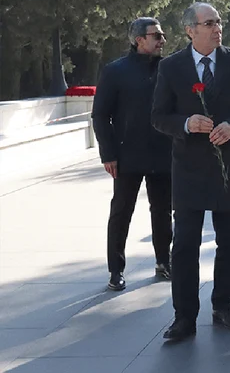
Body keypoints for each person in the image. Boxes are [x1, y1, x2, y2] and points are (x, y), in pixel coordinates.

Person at [151, 2, 230, 341]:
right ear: (190, 30)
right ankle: (184, 317)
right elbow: (158, 116)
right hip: (189, 170)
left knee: (229, 242)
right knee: (184, 244)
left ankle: (223, 306)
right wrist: (186, 123)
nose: (217, 28)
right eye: (209, 23)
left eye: (219, 22)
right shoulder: (171, 67)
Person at [92, 17, 173, 291]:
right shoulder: (116, 71)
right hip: (127, 155)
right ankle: (116, 270)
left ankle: (164, 260)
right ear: (139, 40)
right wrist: (108, 154)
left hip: (163, 153)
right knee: (121, 211)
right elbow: (101, 115)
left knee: (163, 211)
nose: (162, 40)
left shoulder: (168, 68)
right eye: (156, 35)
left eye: (161, 35)